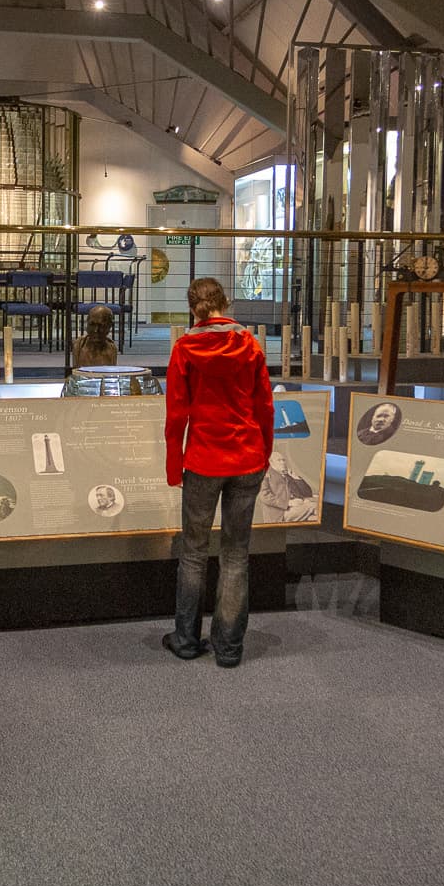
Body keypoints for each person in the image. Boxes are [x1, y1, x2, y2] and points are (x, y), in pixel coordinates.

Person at [164, 277, 274, 668]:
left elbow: (176, 414)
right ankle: (228, 647)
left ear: (192, 307)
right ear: (224, 303)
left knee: (193, 553)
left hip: (203, 460)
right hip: (247, 458)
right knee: (236, 555)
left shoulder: (185, 348)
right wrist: (264, 453)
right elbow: (264, 407)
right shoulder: (250, 345)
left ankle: (187, 639)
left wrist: (172, 465)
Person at [258, 448, 318, 522]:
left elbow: (308, 493)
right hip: (280, 514)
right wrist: (289, 503)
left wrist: (295, 477)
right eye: (279, 460)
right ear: (271, 462)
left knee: (315, 516)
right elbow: (265, 497)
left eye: (283, 460)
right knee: (315, 506)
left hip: (297, 506)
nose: (283, 463)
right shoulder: (264, 475)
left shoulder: (287, 475)